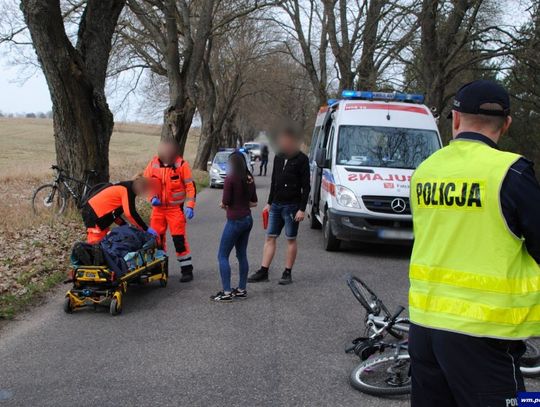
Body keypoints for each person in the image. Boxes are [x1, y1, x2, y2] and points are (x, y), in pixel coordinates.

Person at [408, 80, 540, 407]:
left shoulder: (425, 171)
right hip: (484, 333)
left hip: (425, 327)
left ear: (455, 119)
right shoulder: (511, 172)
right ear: (506, 124)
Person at [248, 127, 310, 285]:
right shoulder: (278, 157)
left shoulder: (302, 159)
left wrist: (302, 209)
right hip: (276, 205)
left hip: (292, 207)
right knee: (270, 237)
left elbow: (306, 187)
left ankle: (287, 273)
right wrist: (269, 203)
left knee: (290, 239)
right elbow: (274, 181)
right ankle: (263, 271)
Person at [143, 139, 197, 283]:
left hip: (175, 210)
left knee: (179, 240)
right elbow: (145, 184)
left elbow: (190, 187)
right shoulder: (153, 164)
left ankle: (186, 270)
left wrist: (190, 206)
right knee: (157, 241)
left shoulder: (181, 165)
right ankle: (159, 269)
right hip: (158, 210)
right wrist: (151, 198)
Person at [211, 152, 258, 302]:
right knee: (241, 254)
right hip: (248, 219)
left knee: (222, 256)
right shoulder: (249, 178)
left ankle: (226, 292)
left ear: (232, 163)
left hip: (235, 221)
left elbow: (225, 202)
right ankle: (241, 289)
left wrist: (225, 206)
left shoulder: (230, 179)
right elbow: (254, 202)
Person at [81, 176, 156, 244]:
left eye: (144, 189)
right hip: (93, 215)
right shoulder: (126, 190)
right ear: (137, 181)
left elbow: (113, 211)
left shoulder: (126, 188)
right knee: (96, 243)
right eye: (141, 187)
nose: (141, 190)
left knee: (104, 243)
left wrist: (123, 224)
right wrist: (145, 228)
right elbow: (130, 213)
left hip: (98, 215)